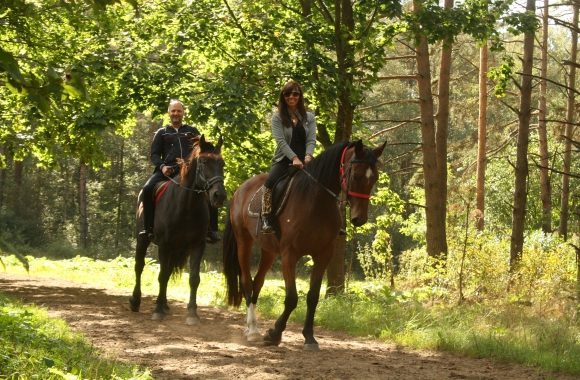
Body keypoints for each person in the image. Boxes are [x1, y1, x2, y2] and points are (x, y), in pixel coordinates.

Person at [139, 100, 220, 243]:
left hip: (189, 172)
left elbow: (201, 149)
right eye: (173, 111)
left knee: (210, 190)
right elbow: (154, 154)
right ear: (168, 113)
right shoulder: (161, 132)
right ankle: (148, 227)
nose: (176, 113)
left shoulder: (192, 131)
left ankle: (211, 230)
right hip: (166, 171)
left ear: (183, 113)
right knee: (147, 189)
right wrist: (162, 167)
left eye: (179, 111)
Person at [261, 81, 317, 234]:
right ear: (283, 96)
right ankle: (267, 217)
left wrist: (308, 155)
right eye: (287, 94)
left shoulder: (309, 117)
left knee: (323, 181)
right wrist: (294, 158)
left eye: (295, 94)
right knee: (269, 183)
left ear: (300, 96)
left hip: (305, 159)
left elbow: (311, 140)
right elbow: (281, 141)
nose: (291, 97)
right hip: (284, 160)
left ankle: (330, 220)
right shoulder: (277, 118)